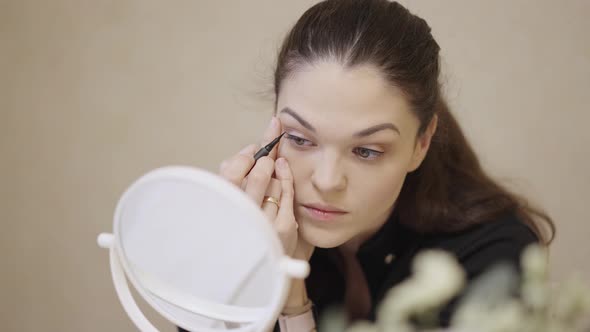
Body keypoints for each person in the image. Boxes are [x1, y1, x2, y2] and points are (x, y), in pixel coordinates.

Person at [189, 0, 556, 331]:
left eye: (366, 151)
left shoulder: (492, 257)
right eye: (300, 139)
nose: (328, 180)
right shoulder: (261, 229)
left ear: (421, 143)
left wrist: (291, 299)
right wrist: (235, 260)